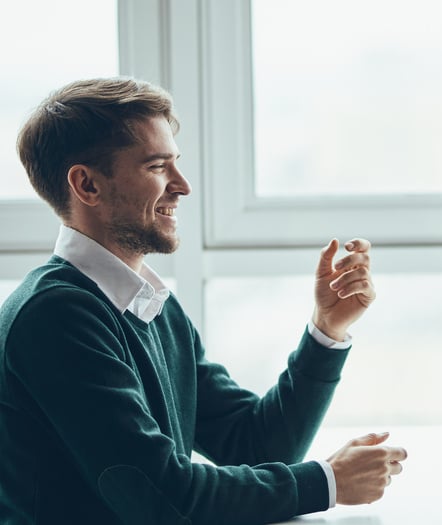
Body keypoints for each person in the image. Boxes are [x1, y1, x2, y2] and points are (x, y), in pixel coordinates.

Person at [0, 77, 407, 524]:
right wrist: (327, 482)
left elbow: (255, 447)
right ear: (87, 186)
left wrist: (327, 330)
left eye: (176, 163)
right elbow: (164, 495)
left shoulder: (150, 305)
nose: (183, 185)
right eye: (158, 167)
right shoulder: (56, 317)